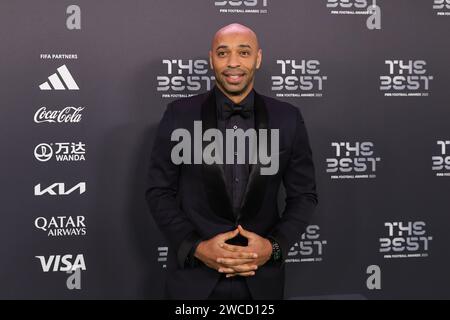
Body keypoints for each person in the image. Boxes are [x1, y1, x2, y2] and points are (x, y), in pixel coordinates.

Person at [146, 23, 318, 300]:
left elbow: (304, 196)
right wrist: (196, 248)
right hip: (192, 281)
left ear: (258, 58)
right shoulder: (179, 115)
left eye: (244, 52)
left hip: (262, 282)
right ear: (211, 58)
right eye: (223, 53)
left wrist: (273, 247)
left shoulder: (287, 118)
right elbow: (159, 192)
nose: (233, 63)